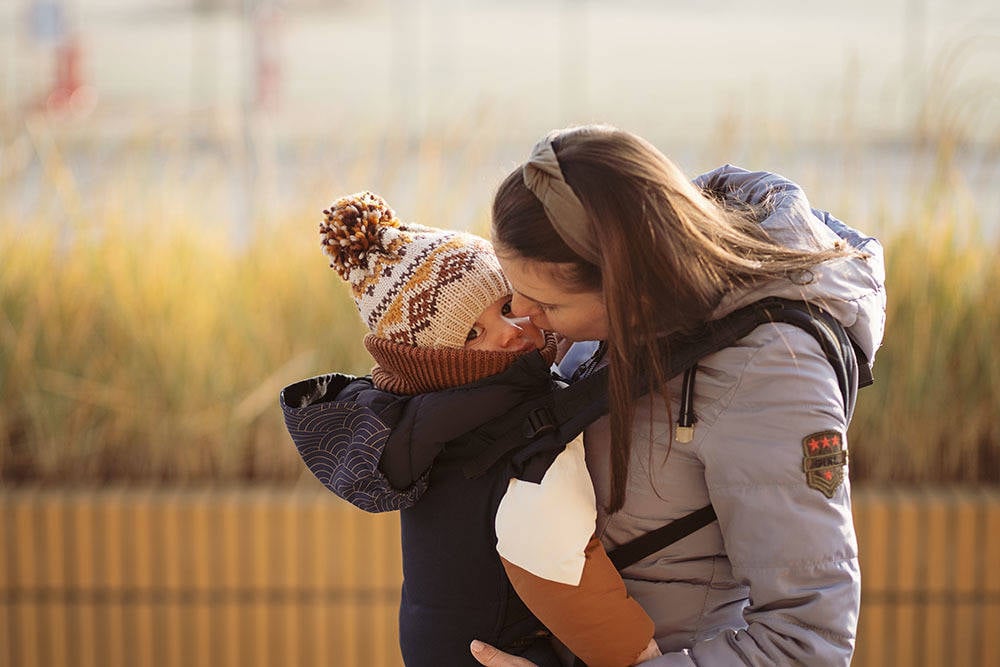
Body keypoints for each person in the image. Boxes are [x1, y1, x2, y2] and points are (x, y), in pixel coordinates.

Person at [470, 125, 886, 666]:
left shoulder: (772, 371)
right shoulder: (619, 322)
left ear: (626, 284)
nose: (525, 317)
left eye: (548, 305)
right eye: (511, 290)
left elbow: (806, 644)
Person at [280, 191, 660, 666]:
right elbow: (551, 554)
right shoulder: (500, 420)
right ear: (439, 361)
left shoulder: (435, 415)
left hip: (448, 639)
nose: (509, 331)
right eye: (473, 334)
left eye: (506, 306)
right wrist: (639, 654)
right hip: (495, 649)